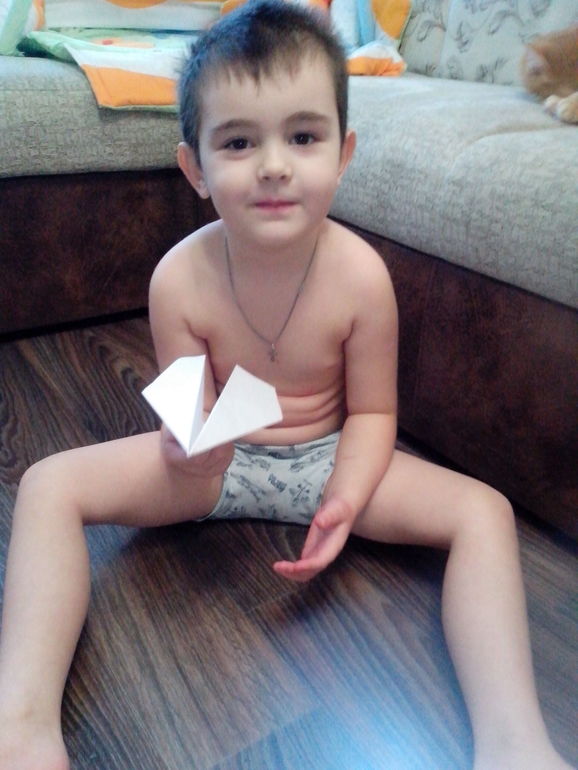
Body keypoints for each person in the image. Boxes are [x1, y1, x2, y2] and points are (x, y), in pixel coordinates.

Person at [0, 2, 571, 769]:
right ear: (195, 170)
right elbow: (188, 408)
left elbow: (374, 411)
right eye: (239, 142)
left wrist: (346, 497)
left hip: (333, 459)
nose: (273, 164)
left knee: (484, 512)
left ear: (344, 153)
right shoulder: (178, 279)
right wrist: (187, 449)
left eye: (303, 137)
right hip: (218, 468)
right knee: (47, 485)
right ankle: (21, 724)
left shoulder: (361, 277)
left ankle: (513, 740)